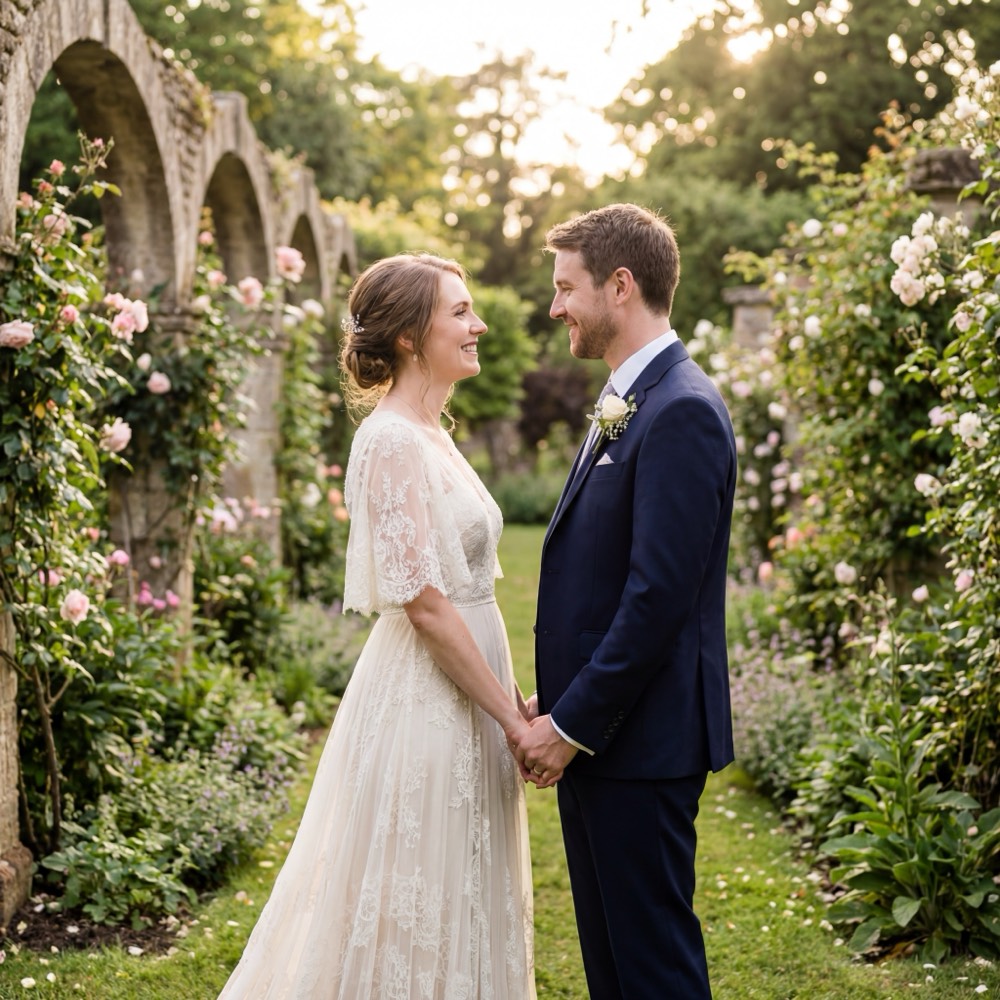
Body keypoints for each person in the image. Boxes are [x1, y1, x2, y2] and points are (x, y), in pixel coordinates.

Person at [219, 252, 536, 999]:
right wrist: (513, 722)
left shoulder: (433, 429)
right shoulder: (390, 438)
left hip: (474, 689)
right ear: (406, 336)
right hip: (426, 700)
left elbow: (467, 593)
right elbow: (425, 602)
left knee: (463, 886)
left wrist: (508, 702)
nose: (477, 323)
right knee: (413, 897)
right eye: (459, 311)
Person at [513, 204, 736, 999]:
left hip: (640, 744)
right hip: (611, 732)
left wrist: (571, 726)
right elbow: (609, 580)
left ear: (619, 284)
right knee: (613, 967)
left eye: (565, 288)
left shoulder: (680, 410)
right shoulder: (629, 396)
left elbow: (655, 602)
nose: (554, 308)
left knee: (653, 970)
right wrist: (566, 698)